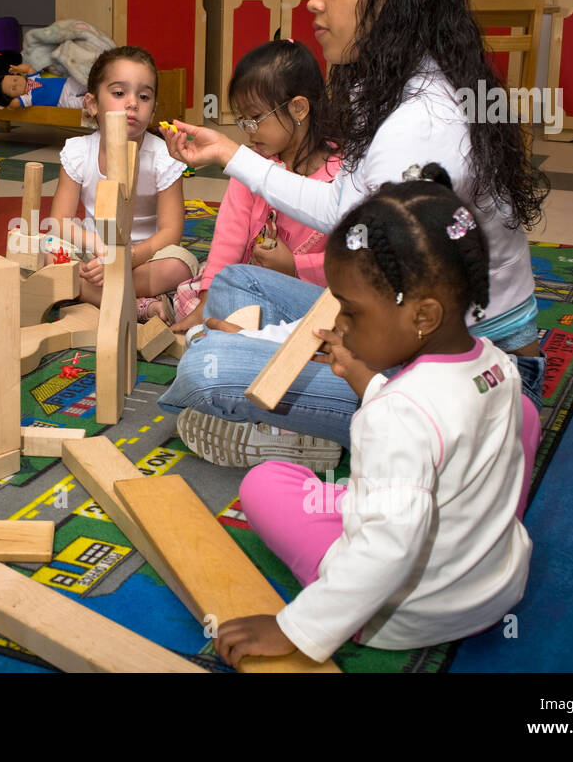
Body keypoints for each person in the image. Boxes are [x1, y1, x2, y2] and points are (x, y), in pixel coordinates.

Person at [159, 0, 549, 456]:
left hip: (473, 383)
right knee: (234, 285)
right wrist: (230, 155)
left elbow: (388, 305)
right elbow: (344, 203)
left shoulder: (422, 122)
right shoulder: (389, 86)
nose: (314, 2)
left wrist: (288, 344)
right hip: (409, 330)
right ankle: (313, 421)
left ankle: (323, 437)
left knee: (206, 367)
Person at [214, 165, 535, 668]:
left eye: (351, 311)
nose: (338, 323)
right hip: (496, 589)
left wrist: (294, 628)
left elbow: (388, 549)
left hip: (399, 613)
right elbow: (439, 415)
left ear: (423, 317)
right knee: (521, 421)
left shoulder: (396, 415)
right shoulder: (498, 367)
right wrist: (366, 383)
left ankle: (342, 594)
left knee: (264, 485)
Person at [171, 39, 342, 333]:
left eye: (255, 118)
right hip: (249, 286)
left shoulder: (343, 177)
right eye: (242, 121)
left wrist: (295, 266)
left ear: (299, 108)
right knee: (196, 293)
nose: (249, 131)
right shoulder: (250, 167)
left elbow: (352, 263)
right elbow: (228, 240)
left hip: (315, 299)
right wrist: (205, 304)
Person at [47, 45, 196, 321]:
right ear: (92, 104)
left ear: (152, 112)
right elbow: (59, 221)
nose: (132, 103)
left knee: (180, 266)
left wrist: (126, 259)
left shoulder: (163, 156)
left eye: (144, 96)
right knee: (52, 251)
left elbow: (171, 231)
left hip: (142, 258)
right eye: (118, 93)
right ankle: (140, 305)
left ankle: (91, 294)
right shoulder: (79, 152)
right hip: (94, 255)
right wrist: (93, 244)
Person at [0, 50, 85, 110]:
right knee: (81, 103)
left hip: (66, 85)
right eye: (14, 88)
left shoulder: (31, 78)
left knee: (82, 81)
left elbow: (29, 68)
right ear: (11, 96)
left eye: (15, 80)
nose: (18, 84)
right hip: (62, 101)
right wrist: (5, 102)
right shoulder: (27, 98)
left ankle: (97, 87)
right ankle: (95, 101)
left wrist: (18, 68)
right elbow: (13, 105)